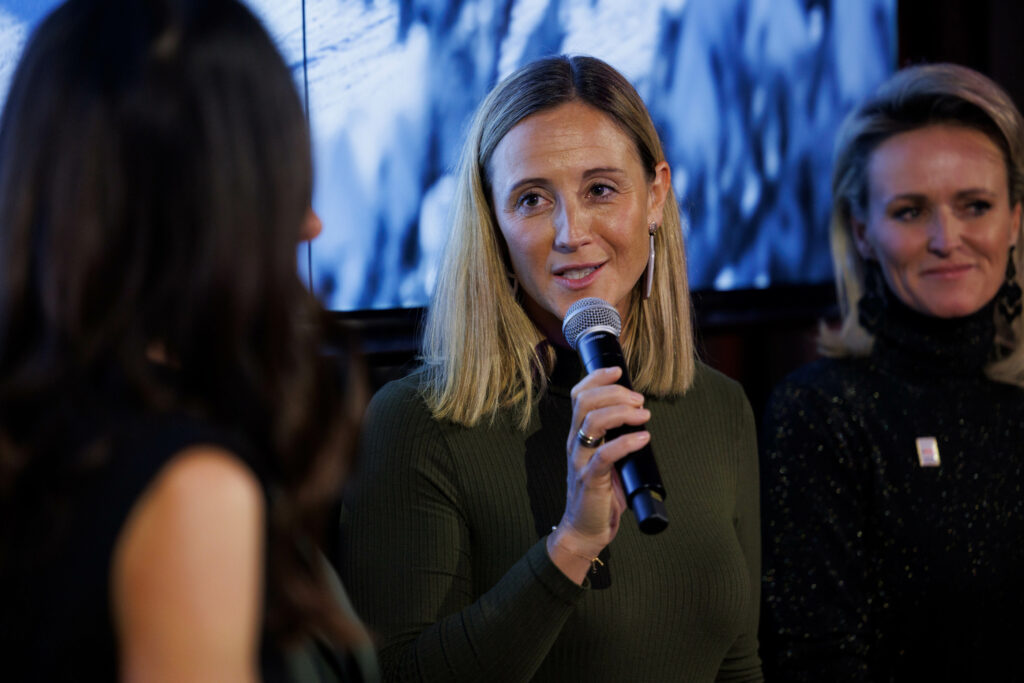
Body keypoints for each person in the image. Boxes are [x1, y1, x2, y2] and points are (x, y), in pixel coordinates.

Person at [338, 54, 762, 682]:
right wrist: (571, 545)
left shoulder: (720, 408)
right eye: (532, 199)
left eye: (600, 189)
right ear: (494, 224)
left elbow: (738, 665)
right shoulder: (419, 423)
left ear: (655, 195)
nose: (572, 232)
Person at [0, 0, 376, 680]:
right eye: (278, 184)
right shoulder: (188, 487)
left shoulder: (45, 434)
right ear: (207, 205)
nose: (311, 224)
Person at [760, 63, 1024, 682]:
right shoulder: (819, 414)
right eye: (909, 211)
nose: (945, 239)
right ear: (863, 233)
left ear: (1013, 221)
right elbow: (815, 663)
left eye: (975, 206)